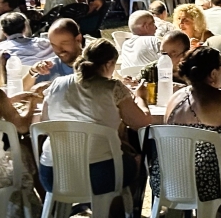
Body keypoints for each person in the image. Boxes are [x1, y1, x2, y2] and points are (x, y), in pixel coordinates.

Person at [151, 47, 221, 218]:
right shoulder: (219, 98)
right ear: (213, 73)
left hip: (170, 179)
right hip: (206, 181)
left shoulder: (175, 97)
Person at [39, 39, 151, 200]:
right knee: (138, 160)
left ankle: (91, 215)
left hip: (53, 174)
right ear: (109, 64)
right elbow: (142, 123)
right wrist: (141, 98)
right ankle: (122, 216)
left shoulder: (57, 84)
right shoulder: (112, 87)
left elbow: (44, 121)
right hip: (98, 175)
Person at [0, 46, 42, 218]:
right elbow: (22, 127)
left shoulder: (0, 98)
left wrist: (10, 100)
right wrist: (32, 104)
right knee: (25, 156)